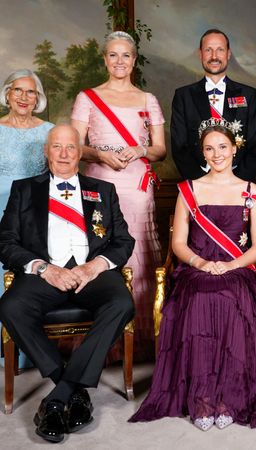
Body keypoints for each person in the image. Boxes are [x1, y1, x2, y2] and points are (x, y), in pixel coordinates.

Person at [130, 119, 256, 430]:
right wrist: (201, 264)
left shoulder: (250, 190)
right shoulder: (189, 190)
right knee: (202, 295)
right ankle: (203, 399)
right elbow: (177, 243)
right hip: (197, 269)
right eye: (209, 148)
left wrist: (231, 265)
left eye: (222, 147)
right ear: (203, 153)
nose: (216, 154)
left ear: (234, 148)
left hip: (239, 268)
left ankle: (229, 397)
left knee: (230, 297)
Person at [0, 124, 135, 442]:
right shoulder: (24, 190)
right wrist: (43, 268)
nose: (63, 153)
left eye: (70, 147)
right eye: (56, 147)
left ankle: (58, 396)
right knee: (10, 306)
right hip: (46, 274)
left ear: (80, 152)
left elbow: (123, 241)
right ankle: (71, 389)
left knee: (122, 302)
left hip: (92, 274)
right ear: (46, 152)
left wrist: (94, 267)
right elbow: (5, 242)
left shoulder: (102, 190)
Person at [71, 31, 166, 361]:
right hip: (99, 183)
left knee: (137, 252)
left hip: (137, 185)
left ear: (134, 60)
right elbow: (75, 146)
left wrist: (139, 148)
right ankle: (104, 343)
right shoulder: (88, 98)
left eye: (126, 55)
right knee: (101, 248)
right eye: (113, 55)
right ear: (105, 59)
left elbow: (160, 150)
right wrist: (99, 155)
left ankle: (140, 340)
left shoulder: (148, 99)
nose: (120, 61)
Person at [0, 69, 54, 368]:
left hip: (33, 216)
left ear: (38, 98)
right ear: (7, 93)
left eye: (30, 92)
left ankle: (25, 354)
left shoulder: (49, 130)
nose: (23, 97)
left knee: (27, 277)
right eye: (17, 90)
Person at [171, 28, 256, 181]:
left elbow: (254, 145)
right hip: (198, 184)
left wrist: (236, 183)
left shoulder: (249, 95)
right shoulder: (183, 96)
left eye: (220, 49)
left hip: (238, 184)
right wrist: (202, 182)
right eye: (208, 50)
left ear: (228, 54)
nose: (214, 56)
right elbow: (179, 147)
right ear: (200, 54)